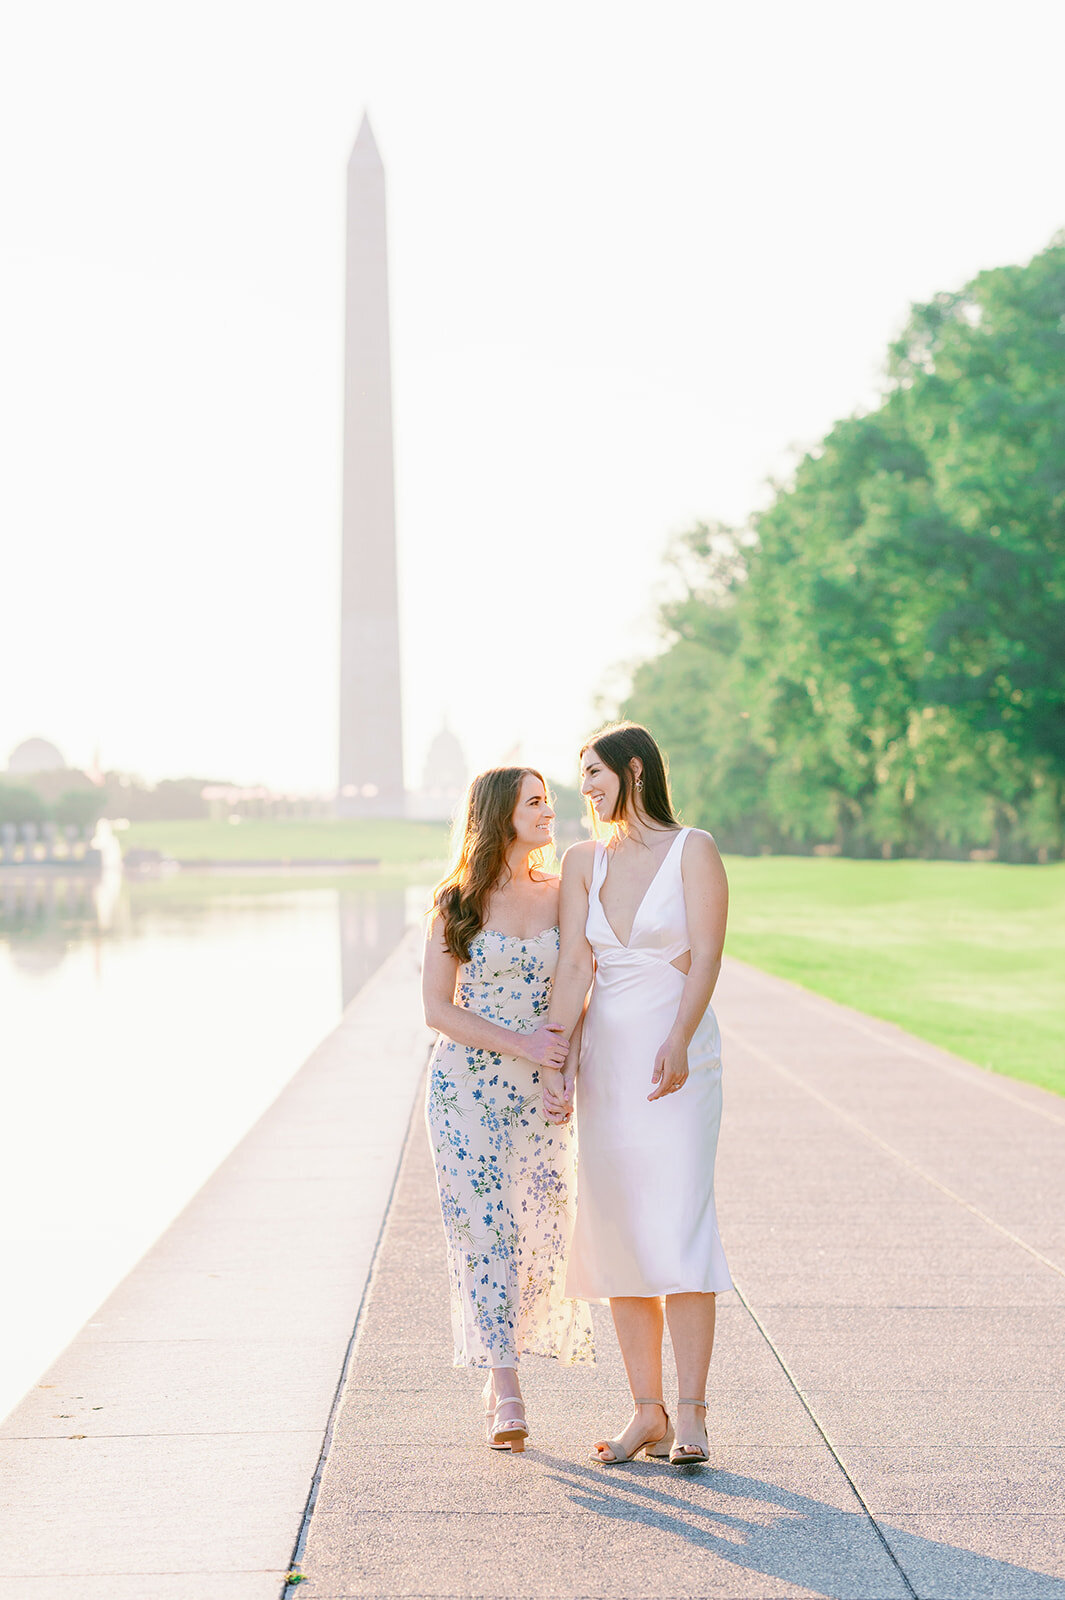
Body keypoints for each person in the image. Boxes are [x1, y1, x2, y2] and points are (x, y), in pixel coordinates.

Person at [542, 722, 731, 1465]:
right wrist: (557, 1055)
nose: (583, 788)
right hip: (609, 1061)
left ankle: (692, 1415)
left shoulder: (694, 849)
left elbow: (707, 954)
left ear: (633, 770)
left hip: (678, 1052)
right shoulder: (581, 860)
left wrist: (680, 1038)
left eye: (593, 772)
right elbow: (574, 969)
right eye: (579, 775)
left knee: (680, 1223)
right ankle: (644, 1412)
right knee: (618, 1228)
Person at [422, 767, 594, 1452]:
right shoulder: (456, 901)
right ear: (500, 814)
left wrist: (563, 1068)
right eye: (534, 801)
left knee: (542, 1232)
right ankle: (506, 1385)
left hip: (536, 1096)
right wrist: (521, 1042)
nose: (548, 811)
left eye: (548, 799)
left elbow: (580, 988)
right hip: (463, 1093)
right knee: (484, 1231)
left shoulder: (562, 897)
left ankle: (501, 1367)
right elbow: (437, 1009)